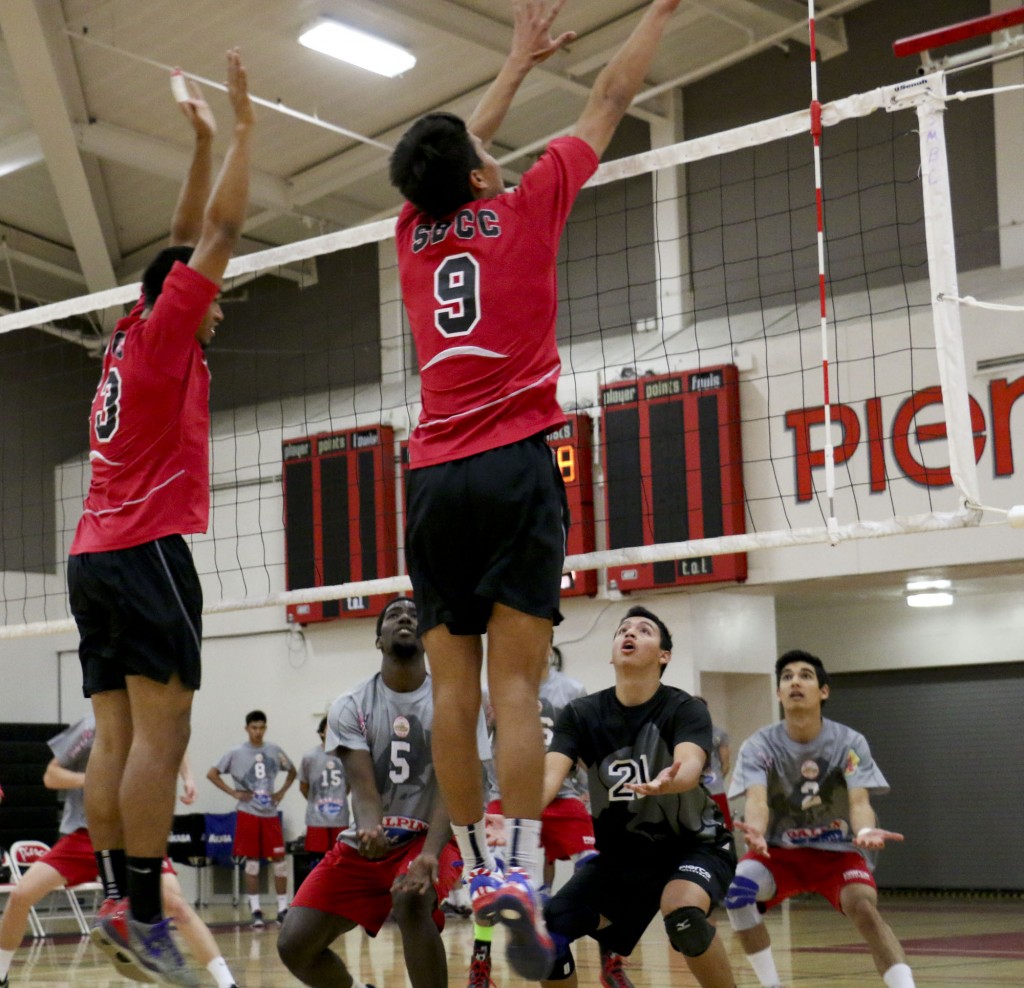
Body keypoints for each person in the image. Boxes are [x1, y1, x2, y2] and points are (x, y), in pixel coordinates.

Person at [389, 1, 683, 978]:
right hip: (516, 462)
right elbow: (611, 93)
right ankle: (517, 870)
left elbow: (444, 155)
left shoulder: (409, 233)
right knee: (517, 686)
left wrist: (511, 64)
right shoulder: (526, 205)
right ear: (478, 173)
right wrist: (662, 10)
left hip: (430, 475)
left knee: (455, 688)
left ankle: (479, 872)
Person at [66, 49, 254, 985]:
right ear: (183, 299)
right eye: (207, 296)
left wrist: (202, 139)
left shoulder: (127, 331)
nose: (215, 308)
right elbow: (214, 229)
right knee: (164, 732)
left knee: (114, 733)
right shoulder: (172, 327)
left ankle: (111, 891)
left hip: (90, 554)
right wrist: (246, 135)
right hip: (144, 550)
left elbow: (180, 240)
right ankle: (143, 914)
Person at [277, 597, 489, 988]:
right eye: (394, 615)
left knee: (410, 899)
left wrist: (428, 855)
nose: (405, 617)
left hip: (436, 837)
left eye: (414, 614)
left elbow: (456, 788)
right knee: (294, 944)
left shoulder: (457, 699)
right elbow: (363, 788)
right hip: (374, 844)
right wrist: (370, 830)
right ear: (378, 640)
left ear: (427, 637)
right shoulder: (350, 705)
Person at [539, 606, 738, 988]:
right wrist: (512, 814)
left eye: (644, 630)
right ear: (612, 652)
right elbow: (550, 776)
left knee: (684, 916)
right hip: (624, 860)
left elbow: (691, 764)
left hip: (695, 846)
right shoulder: (581, 714)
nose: (629, 634)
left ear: (664, 656)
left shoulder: (685, 708)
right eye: (623, 630)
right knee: (548, 932)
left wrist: (673, 780)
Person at [0, 716, 238, 988]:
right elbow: (51, 776)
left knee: (177, 905)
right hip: (85, 834)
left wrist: (188, 777)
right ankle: (1, 975)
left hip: (136, 837)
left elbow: (173, 740)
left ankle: (226, 983)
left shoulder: (152, 719)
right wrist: (96, 778)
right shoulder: (91, 727)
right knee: (20, 896)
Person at [725, 650, 915, 988]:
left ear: (823, 691)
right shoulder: (758, 745)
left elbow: (859, 801)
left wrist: (866, 829)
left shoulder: (849, 742)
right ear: (779, 693)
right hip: (779, 855)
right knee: (737, 892)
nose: (795, 681)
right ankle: (772, 985)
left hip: (838, 853)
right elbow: (756, 799)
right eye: (787, 677)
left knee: (865, 910)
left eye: (805, 675)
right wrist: (754, 830)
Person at [471, 649, 596, 988]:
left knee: (595, 865)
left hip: (563, 793)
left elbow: (586, 748)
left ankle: (610, 957)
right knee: (488, 880)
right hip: (507, 795)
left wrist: (593, 791)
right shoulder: (493, 691)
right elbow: (480, 749)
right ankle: (480, 962)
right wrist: (486, 799)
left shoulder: (571, 689)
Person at [207, 710, 296, 927]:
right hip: (248, 813)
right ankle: (255, 909)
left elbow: (292, 771)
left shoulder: (274, 750)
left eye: (261, 728)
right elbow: (212, 773)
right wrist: (234, 793)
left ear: (265, 728)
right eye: (254, 728)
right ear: (247, 729)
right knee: (252, 863)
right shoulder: (236, 752)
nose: (258, 732)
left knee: (280, 863)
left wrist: (281, 792)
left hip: (270, 814)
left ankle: (282, 908)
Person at [299, 716, 350, 857]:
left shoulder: (347, 755)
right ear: (321, 733)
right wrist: (317, 802)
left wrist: (336, 798)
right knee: (317, 860)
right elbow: (303, 786)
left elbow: (349, 785)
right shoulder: (310, 756)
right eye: (329, 728)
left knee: (340, 858)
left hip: (340, 818)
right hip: (316, 819)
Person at [694, 697, 733, 829]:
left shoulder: (718, 733)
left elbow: (726, 765)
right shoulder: (684, 732)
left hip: (714, 786)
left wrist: (716, 779)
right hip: (692, 787)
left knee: (722, 826)